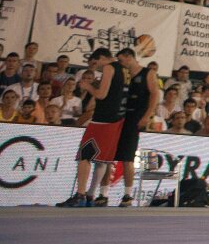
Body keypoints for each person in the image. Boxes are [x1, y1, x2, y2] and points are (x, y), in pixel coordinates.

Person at [57, 48, 127, 207]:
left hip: (103, 119)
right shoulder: (125, 70)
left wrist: (88, 87)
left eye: (96, 63)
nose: (97, 67)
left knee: (85, 155)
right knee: (102, 159)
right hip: (116, 119)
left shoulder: (110, 67)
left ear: (102, 58)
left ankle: (80, 194)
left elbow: (101, 94)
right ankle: (90, 194)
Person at [97, 48, 158, 207]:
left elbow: (154, 95)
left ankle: (127, 194)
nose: (121, 64)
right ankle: (103, 193)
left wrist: (147, 116)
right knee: (108, 156)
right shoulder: (123, 74)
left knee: (127, 157)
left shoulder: (147, 73)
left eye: (122, 60)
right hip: (117, 116)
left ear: (129, 57)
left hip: (134, 118)